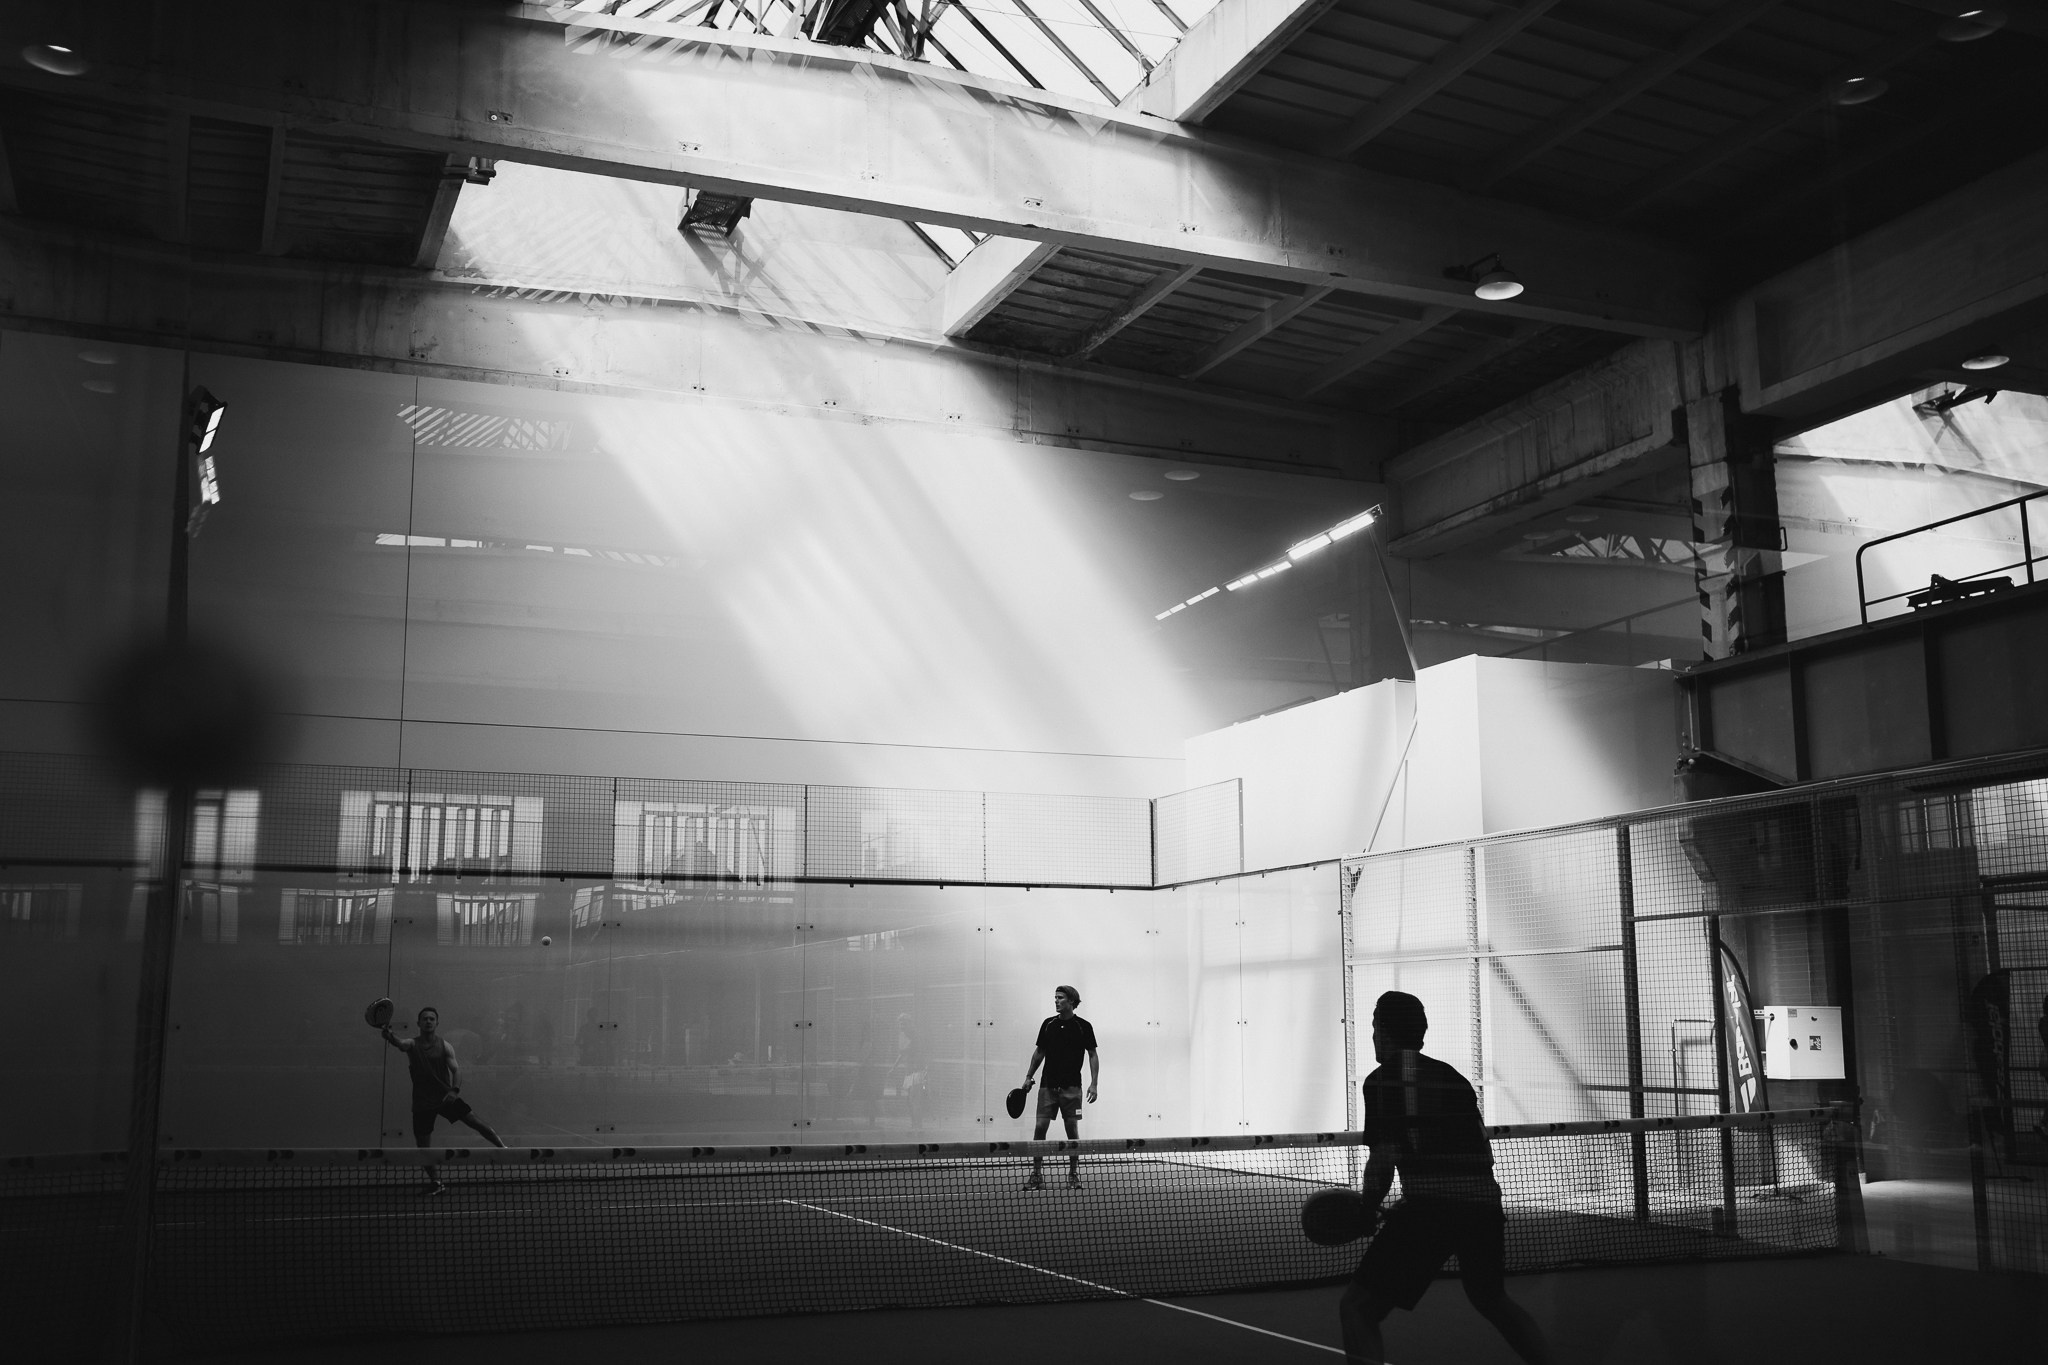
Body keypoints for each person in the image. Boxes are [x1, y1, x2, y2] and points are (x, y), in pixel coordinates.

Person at [1340, 991, 1553, 1365]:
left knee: (1358, 1307)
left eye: (1374, 1027)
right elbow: (1467, 1152)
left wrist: (1367, 1209)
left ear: (1384, 1031)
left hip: (1433, 1212)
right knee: (1491, 1299)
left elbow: (1384, 1158)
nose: (1372, 1036)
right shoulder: (1454, 1078)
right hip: (1483, 1207)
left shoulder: (1383, 1080)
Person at [381, 1005, 507, 1193]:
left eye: (432, 1019)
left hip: (445, 1097)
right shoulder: (412, 1044)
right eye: (425, 1019)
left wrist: (454, 1090)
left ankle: (504, 1150)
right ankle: (436, 1183)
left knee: (475, 1121)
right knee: (423, 1147)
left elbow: (456, 1070)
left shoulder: (445, 1046)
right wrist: (390, 1036)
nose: (428, 1021)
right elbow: (400, 1044)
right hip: (422, 1103)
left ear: (437, 1023)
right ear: (418, 1023)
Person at [1020, 985, 1098, 1190]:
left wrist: (1094, 1084)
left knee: (1072, 1130)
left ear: (1071, 1001)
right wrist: (1028, 1077)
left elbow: (1092, 1054)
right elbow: (1039, 1052)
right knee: (1040, 1128)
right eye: (1055, 997)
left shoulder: (1083, 1026)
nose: (1056, 1001)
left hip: (1072, 1088)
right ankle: (1037, 1175)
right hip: (1048, 1086)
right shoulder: (1048, 1024)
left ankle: (1073, 1175)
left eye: (1060, 997)